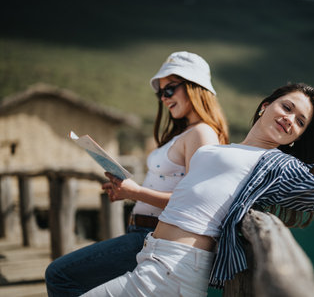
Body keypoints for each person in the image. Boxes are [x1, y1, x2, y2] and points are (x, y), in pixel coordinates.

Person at [82, 83, 314, 297]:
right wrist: (135, 191)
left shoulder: (276, 165)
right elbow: (191, 198)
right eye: (286, 107)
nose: (290, 118)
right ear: (264, 107)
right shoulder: (216, 149)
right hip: (152, 256)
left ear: (298, 136)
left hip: (175, 270)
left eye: (300, 121)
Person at [45, 51, 229, 296]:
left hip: (151, 236)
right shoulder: (187, 132)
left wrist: (136, 192)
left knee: (59, 275)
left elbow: (195, 202)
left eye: (169, 89)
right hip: (141, 233)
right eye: (160, 92)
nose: (163, 98)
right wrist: (129, 192)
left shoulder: (202, 133)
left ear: (195, 86)